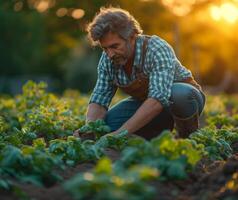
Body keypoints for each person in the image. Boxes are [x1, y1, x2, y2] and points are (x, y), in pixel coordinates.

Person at [75, 7, 205, 140]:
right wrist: (90, 128)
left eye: (115, 46)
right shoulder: (108, 59)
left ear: (132, 37)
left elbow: (157, 99)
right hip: (146, 106)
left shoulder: (156, 48)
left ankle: (186, 135)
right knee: (106, 125)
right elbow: (100, 98)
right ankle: (153, 134)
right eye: (105, 48)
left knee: (179, 95)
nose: (110, 54)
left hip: (183, 101)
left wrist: (120, 134)